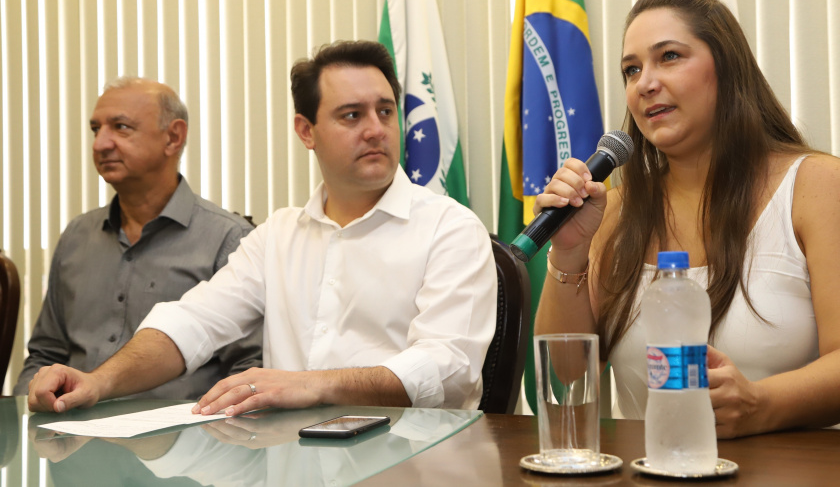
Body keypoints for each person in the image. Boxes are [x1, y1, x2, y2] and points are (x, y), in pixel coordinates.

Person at [27, 40, 497, 415]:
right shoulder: (279, 235)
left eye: (385, 111)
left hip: (416, 463)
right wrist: (98, 382)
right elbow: (193, 323)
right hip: (292, 463)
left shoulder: (449, 228)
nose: (376, 129)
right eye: (352, 115)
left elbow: (447, 369)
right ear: (306, 131)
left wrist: (310, 386)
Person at [533, 0, 840, 439]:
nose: (645, 82)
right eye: (631, 69)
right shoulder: (616, 211)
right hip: (659, 469)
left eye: (669, 56)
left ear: (726, 67)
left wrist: (762, 405)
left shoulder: (821, 187)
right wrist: (568, 255)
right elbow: (567, 380)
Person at [14, 78, 260, 400]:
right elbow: (45, 356)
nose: (100, 143)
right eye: (95, 129)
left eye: (121, 127)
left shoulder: (230, 238)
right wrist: (29, 408)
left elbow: (248, 372)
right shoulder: (77, 236)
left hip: (182, 442)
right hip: (73, 436)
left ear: (173, 137)